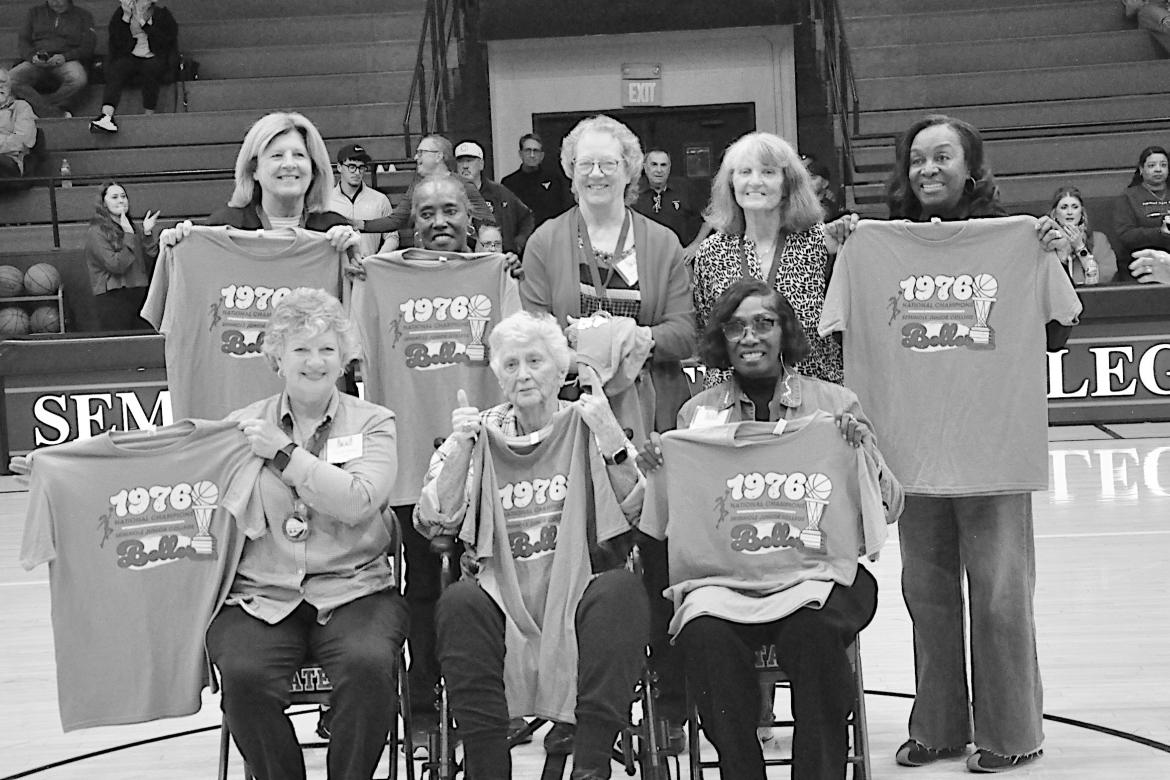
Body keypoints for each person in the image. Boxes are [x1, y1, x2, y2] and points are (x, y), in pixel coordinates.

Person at [830, 113, 1073, 774]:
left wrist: (1049, 251)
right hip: (909, 452)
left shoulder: (1019, 237)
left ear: (971, 167)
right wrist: (838, 250)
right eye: (917, 159)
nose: (929, 169)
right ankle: (937, 727)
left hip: (994, 451)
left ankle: (1012, 733)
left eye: (943, 157)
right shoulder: (872, 241)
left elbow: (1055, 333)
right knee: (927, 595)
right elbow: (833, 335)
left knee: (1000, 595)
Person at [637, 280, 903, 780]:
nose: (749, 336)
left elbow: (888, 508)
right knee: (702, 637)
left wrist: (865, 453)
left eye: (764, 322)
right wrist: (654, 466)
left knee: (816, 634)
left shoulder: (835, 406)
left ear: (785, 332)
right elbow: (660, 520)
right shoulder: (695, 417)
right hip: (725, 583)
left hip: (814, 577)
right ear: (722, 338)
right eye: (736, 326)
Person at [520, 114, 694, 752]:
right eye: (585, 164)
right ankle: (587, 708)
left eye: (610, 164)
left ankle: (667, 706)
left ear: (630, 172)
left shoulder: (662, 243)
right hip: (571, 425)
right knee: (589, 560)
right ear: (568, 172)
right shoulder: (544, 242)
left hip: (649, 419)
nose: (597, 174)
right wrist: (577, 346)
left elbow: (688, 329)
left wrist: (640, 337)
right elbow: (530, 329)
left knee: (657, 561)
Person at [417, 310, 649, 780]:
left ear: (560, 368)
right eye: (510, 364)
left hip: (579, 589)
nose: (523, 374)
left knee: (621, 593)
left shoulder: (588, 422)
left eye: (536, 361)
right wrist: (461, 452)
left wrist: (612, 438)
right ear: (497, 376)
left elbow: (640, 510)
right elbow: (431, 519)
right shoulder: (477, 432)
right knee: (459, 601)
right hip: (501, 596)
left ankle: (591, 764)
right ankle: (488, 769)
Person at [208, 288, 407, 780]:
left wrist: (284, 454)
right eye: (300, 349)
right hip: (262, 594)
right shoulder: (240, 428)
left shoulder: (375, 423)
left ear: (344, 359)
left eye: (326, 349)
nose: (314, 361)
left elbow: (360, 501)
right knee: (242, 676)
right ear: (277, 357)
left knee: (368, 668)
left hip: (355, 590)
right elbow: (172, 465)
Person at [691, 131, 845, 388]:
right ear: (731, 184)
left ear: (788, 185)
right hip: (737, 403)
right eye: (745, 172)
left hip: (813, 397)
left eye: (768, 172)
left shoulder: (824, 244)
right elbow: (708, 333)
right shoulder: (710, 253)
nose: (755, 182)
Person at [159, 112, 360, 253]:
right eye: (277, 155)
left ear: (314, 169)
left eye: (299, 155)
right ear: (254, 170)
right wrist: (178, 246)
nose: (289, 164)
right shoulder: (224, 227)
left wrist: (352, 253)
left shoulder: (334, 231)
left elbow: (358, 304)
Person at [355, 134, 491, 249]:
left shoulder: (464, 185)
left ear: (438, 156)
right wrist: (356, 224)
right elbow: (397, 220)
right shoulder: (417, 187)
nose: (415, 157)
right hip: (425, 259)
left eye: (421, 153)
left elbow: (487, 225)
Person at [89, 0, 177, 134]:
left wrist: (144, 24)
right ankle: (107, 115)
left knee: (151, 69)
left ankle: (149, 113)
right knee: (117, 68)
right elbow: (116, 42)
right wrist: (125, 19)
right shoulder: (121, 15)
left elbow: (165, 42)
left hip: (154, 56)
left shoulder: (162, 15)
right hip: (131, 56)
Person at [84, 180, 159, 331]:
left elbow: (150, 259)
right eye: (115, 197)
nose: (121, 200)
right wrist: (129, 235)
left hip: (139, 294)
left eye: (123, 196)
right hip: (113, 297)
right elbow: (116, 265)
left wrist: (147, 233)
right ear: (103, 204)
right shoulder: (96, 232)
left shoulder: (131, 227)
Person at [9, 0, 96, 118]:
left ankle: (42, 106)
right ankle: (52, 112)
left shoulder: (83, 15)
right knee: (9, 80)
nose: (56, 2)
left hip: (66, 59)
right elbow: (23, 41)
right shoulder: (34, 13)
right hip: (37, 59)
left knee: (78, 78)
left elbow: (88, 46)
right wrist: (32, 57)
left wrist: (66, 57)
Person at [455, 140, 535, 255]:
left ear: (481, 164)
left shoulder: (499, 192)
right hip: (466, 261)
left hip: (499, 260)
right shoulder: (451, 195)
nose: (465, 166)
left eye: (470, 161)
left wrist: (516, 245)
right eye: (461, 161)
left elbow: (526, 217)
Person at [1113, 145, 1170, 282]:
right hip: (1139, 266)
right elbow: (1125, 235)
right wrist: (1159, 233)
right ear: (1141, 169)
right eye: (1151, 165)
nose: (1158, 169)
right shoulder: (1128, 197)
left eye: (1163, 165)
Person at [632, 148, 704, 252]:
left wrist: (695, 245)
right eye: (654, 164)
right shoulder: (634, 192)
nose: (659, 170)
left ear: (669, 168)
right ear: (645, 167)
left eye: (663, 165)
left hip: (679, 258)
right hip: (645, 258)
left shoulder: (684, 188)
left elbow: (710, 218)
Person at [330, 142, 393, 258]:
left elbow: (392, 237)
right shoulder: (326, 201)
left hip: (369, 265)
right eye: (352, 167)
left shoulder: (380, 200)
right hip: (336, 268)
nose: (357, 172)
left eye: (361, 167)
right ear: (339, 167)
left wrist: (377, 260)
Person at [1048, 185, 1117, 285]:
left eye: (1075, 207)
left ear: (1082, 213)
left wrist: (1080, 248)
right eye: (1064, 207)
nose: (1070, 212)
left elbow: (1107, 275)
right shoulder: (1047, 241)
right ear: (1054, 214)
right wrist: (1062, 256)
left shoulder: (1098, 239)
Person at [501, 132, 572, 228]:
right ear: (520, 154)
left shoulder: (554, 180)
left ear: (542, 155)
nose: (532, 155)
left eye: (536, 151)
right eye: (528, 150)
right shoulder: (509, 183)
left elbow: (563, 211)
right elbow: (506, 216)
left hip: (550, 235)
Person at [0, 68, 37, 189]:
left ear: (9, 87)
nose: (0, 86)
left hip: (10, 163)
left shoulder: (21, 107)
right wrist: (6, 140)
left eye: (3, 82)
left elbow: (23, 142)